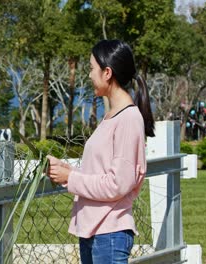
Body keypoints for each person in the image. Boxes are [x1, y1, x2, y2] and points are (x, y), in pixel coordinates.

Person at [46, 39, 155, 264]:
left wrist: (71, 178)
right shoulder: (112, 116)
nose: (88, 75)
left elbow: (118, 184)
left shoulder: (127, 119)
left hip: (110, 234)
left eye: (91, 68)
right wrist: (67, 171)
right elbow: (101, 171)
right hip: (96, 232)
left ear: (107, 72)